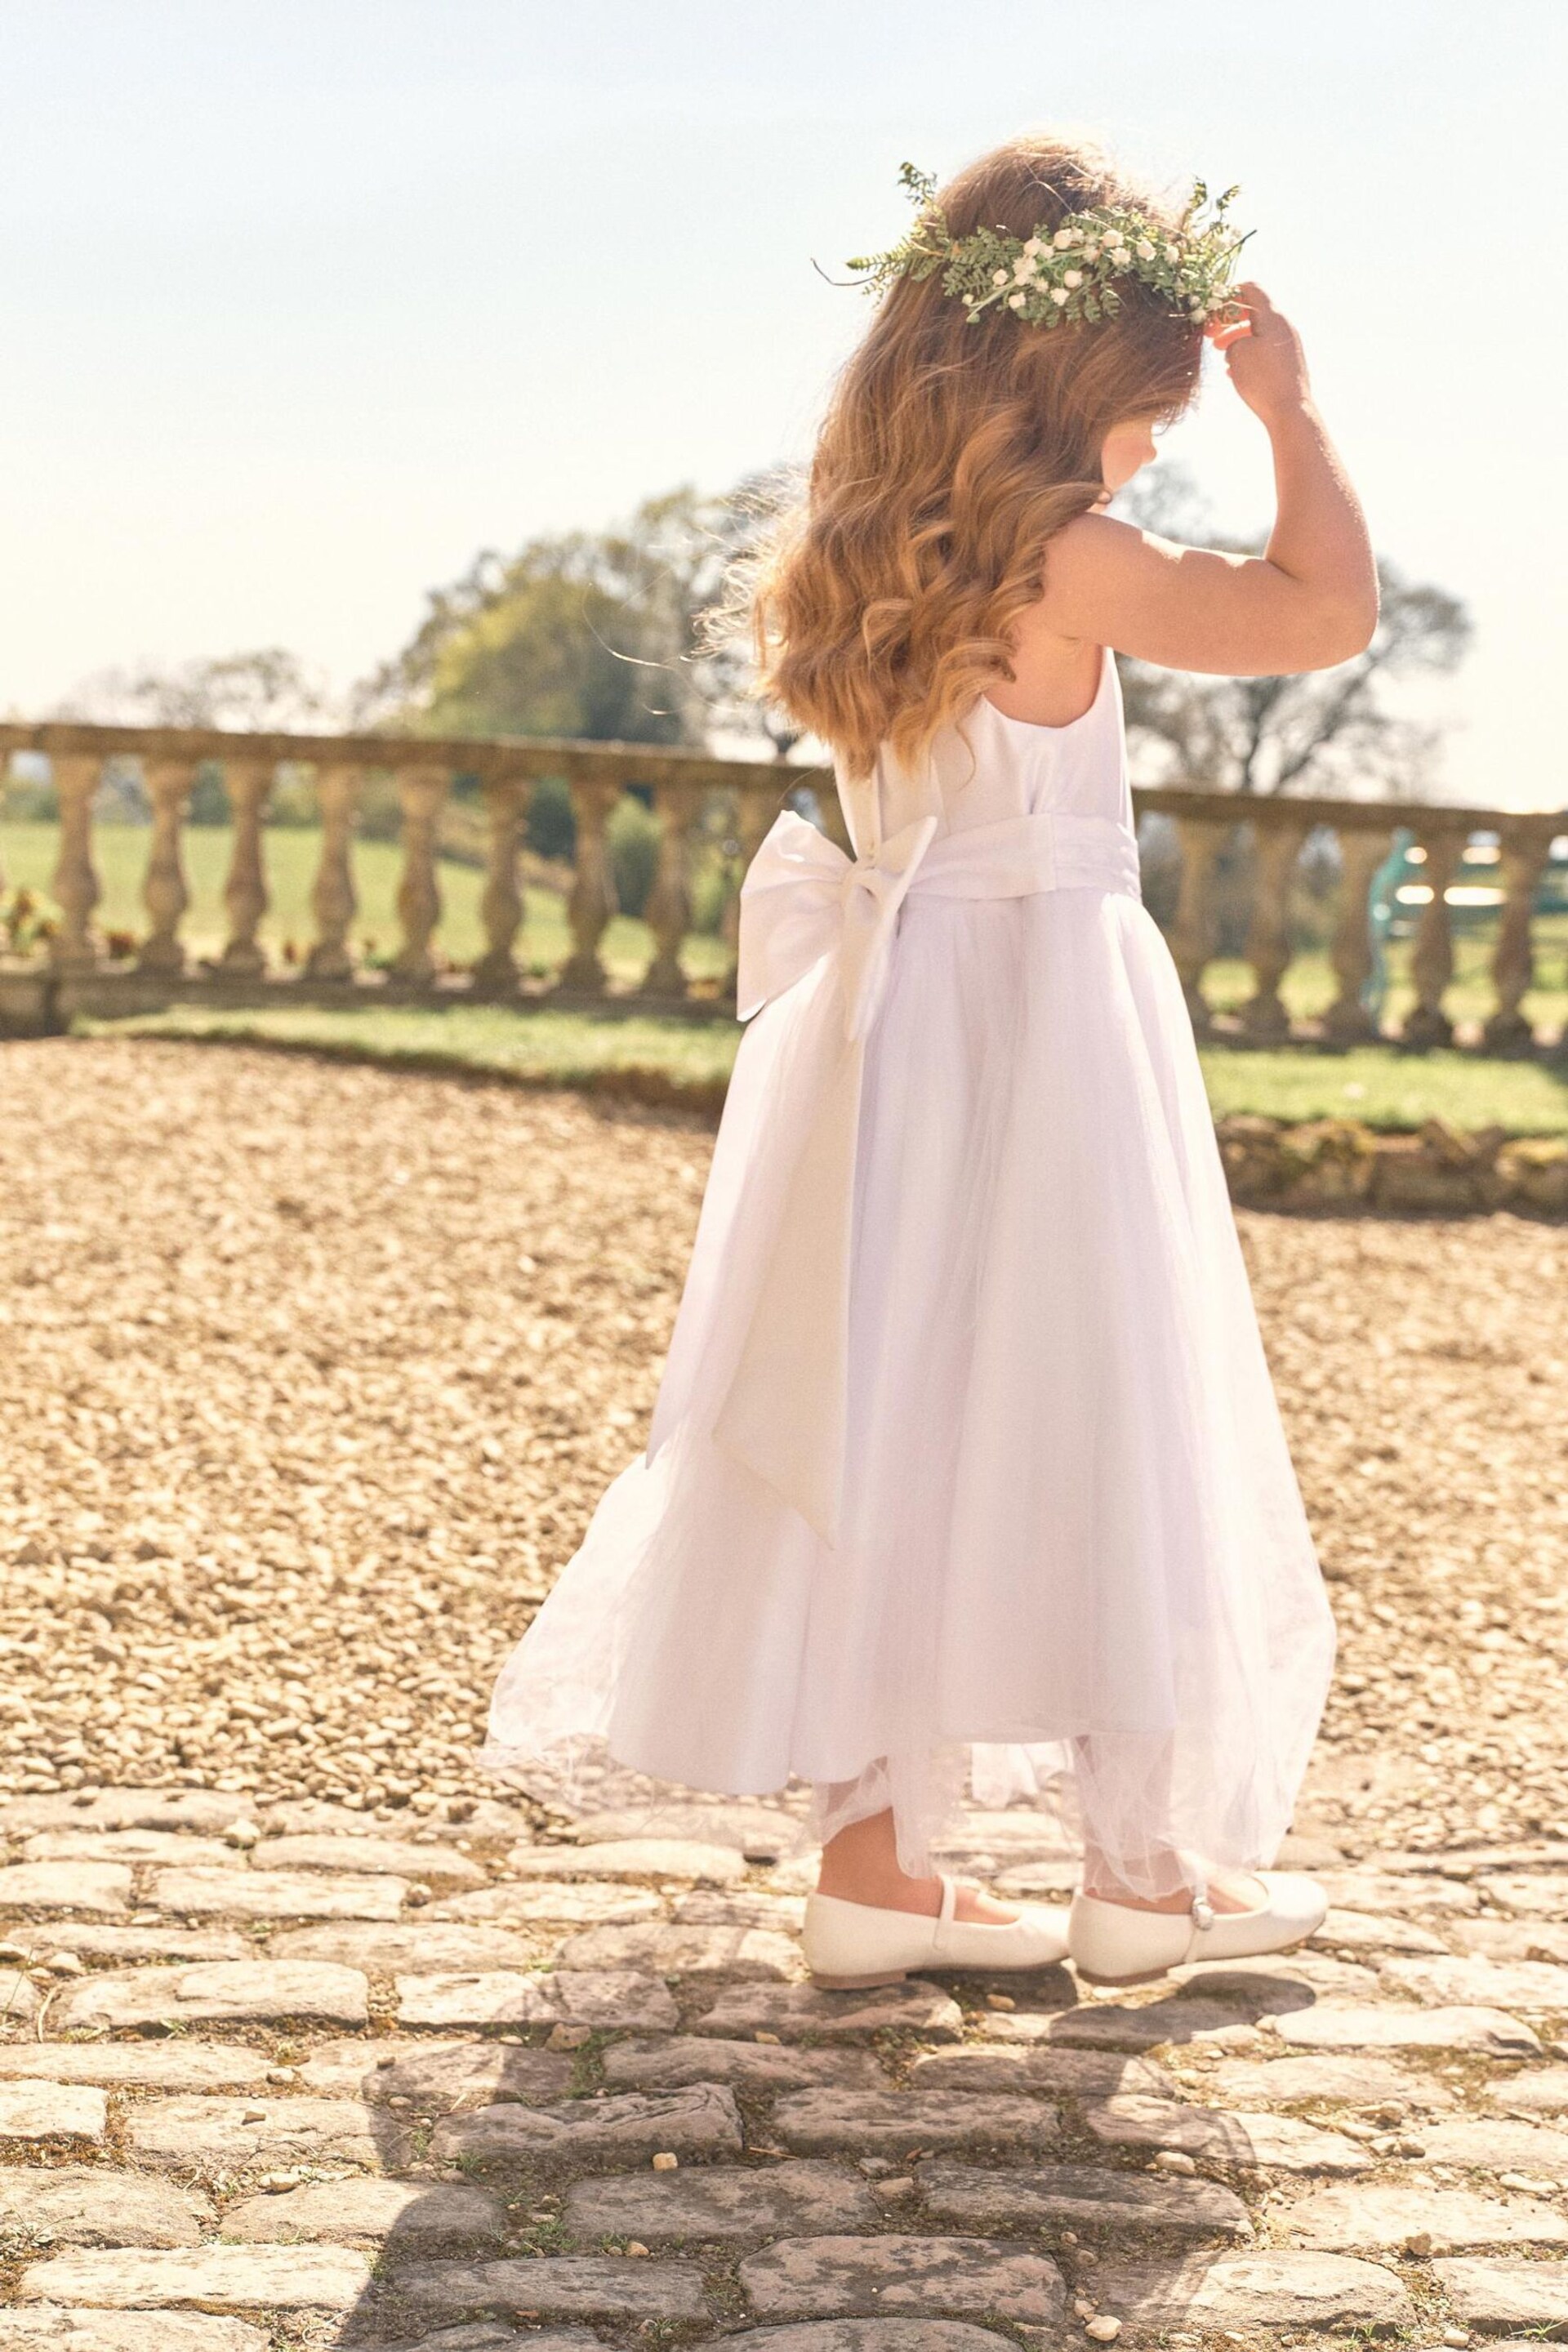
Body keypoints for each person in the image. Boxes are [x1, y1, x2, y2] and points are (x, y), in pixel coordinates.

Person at [484, 133, 1375, 1989]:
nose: (1156, 450)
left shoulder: (859, 540)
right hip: (1047, 1023)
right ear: (1073, 383)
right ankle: (1139, 1876)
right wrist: (1296, 413)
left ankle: (876, 1866)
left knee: (891, 1409)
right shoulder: (1073, 555)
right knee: (1091, 1400)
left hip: (891, 1043)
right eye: (1154, 412)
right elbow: (1324, 613)